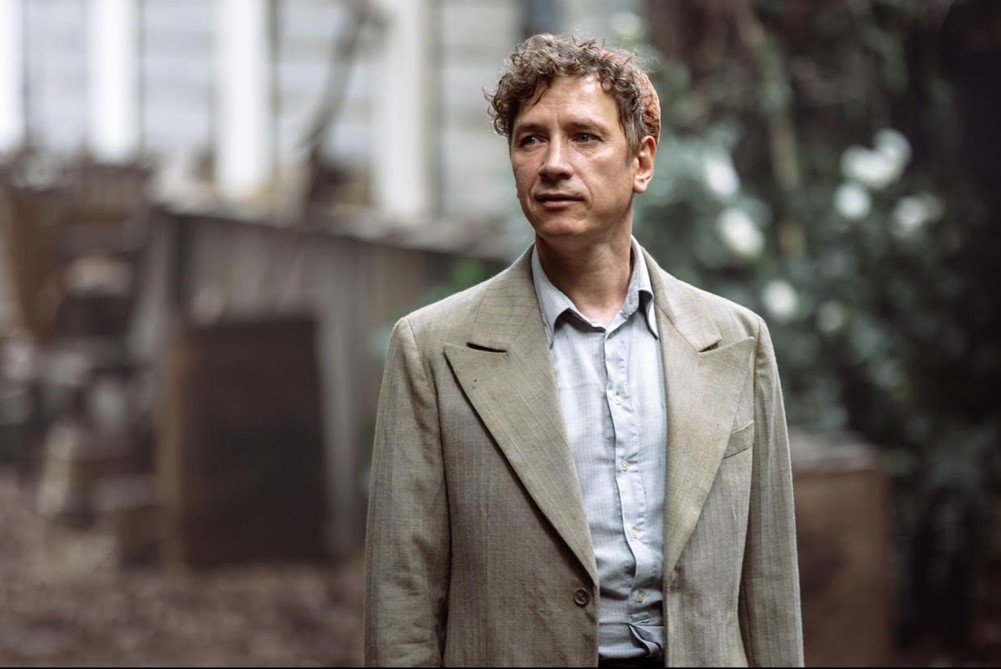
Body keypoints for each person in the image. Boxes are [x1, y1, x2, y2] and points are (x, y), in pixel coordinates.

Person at [364, 33, 804, 668]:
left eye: (585, 137)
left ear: (642, 162)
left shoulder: (735, 340)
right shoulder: (434, 349)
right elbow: (401, 594)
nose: (553, 163)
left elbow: (770, 585)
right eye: (530, 139)